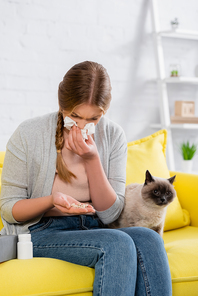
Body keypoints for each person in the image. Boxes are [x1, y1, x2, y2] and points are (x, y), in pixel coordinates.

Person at [0, 61, 172, 296]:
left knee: (149, 239)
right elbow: (9, 210)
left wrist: (92, 160)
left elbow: (110, 214)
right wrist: (51, 200)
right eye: (75, 116)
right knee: (117, 245)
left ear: (104, 112)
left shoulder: (113, 135)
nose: (82, 126)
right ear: (62, 106)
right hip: (40, 231)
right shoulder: (29, 134)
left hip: (94, 226)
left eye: (93, 119)